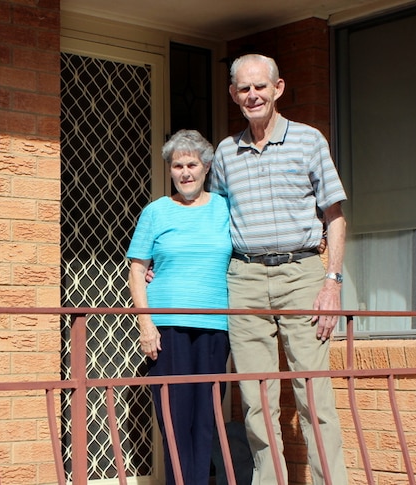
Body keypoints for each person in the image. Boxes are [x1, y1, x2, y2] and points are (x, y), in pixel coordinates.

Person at [208, 53, 349, 484]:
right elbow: (211, 220)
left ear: (278, 88)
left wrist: (332, 282)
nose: (253, 95)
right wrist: (164, 263)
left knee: (313, 395)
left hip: (302, 274)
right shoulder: (225, 154)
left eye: (260, 87)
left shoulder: (309, 141)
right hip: (245, 278)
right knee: (256, 398)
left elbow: (335, 214)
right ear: (233, 94)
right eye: (244, 89)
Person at [127, 129, 233, 485]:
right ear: (170, 170)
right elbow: (138, 270)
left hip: (215, 326)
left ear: (205, 167)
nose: (185, 172)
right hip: (166, 328)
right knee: (173, 418)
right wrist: (146, 325)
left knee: (207, 419)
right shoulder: (155, 212)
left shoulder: (225, 209)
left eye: (192, 164)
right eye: (177, 166)